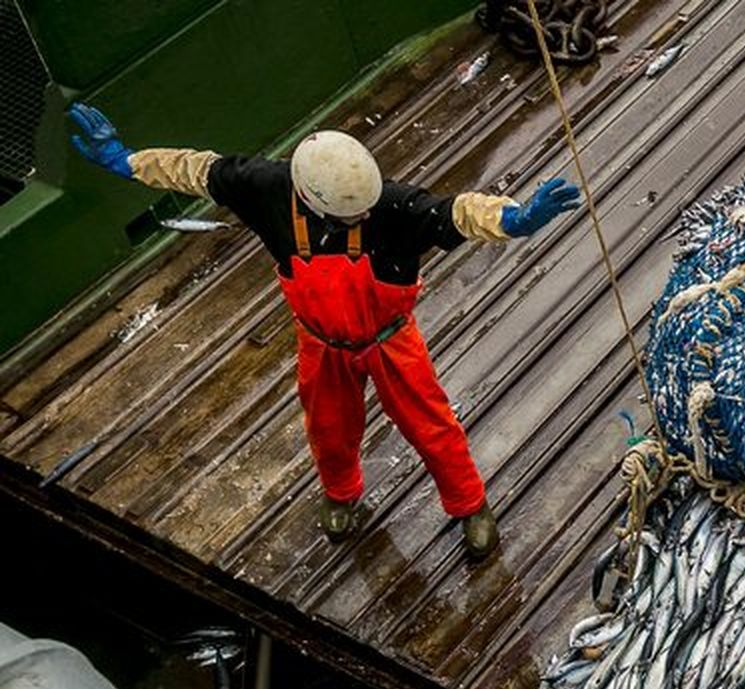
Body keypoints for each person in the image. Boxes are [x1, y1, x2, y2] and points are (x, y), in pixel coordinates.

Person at [66, 103, 581, 560]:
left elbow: (457, 212)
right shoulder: (266, 188)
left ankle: (470, 504)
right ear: (309, 197)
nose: (361, 217)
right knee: (329, 430)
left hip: (389, 341)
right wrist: (127, 161)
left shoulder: (391, 208)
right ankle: (341, 494)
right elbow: (198, 170)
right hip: (321, 344)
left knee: (432, 425)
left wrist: (514, 218)